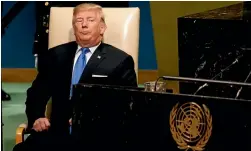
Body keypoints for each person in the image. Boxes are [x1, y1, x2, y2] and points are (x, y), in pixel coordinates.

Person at [13, 3, 137, 151]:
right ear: (74, 28)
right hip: (57, 133)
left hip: (97, 135)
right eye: (79, 20)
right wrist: (37, 117)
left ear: (102, 28)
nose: (84, 25)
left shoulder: (120, 60)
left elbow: (127, 105)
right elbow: (36, 94)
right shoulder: (55, 56)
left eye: (91, 20)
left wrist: (90, 119)